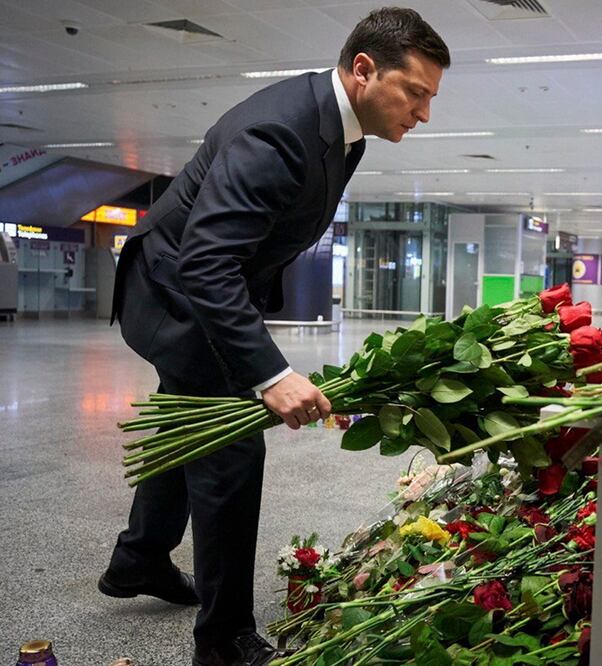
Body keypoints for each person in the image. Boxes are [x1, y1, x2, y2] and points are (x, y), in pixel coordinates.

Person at [98, 9, 450, 666]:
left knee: (190, 424)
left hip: (190, 288)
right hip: (174, 296)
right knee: (231, 454)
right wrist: (270, 373)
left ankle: (138, 559)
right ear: (365, 70)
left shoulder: (345, 133)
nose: (424, 113)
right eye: (416, 93)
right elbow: (206, 260)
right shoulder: (278, 133)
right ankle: (224, 641)